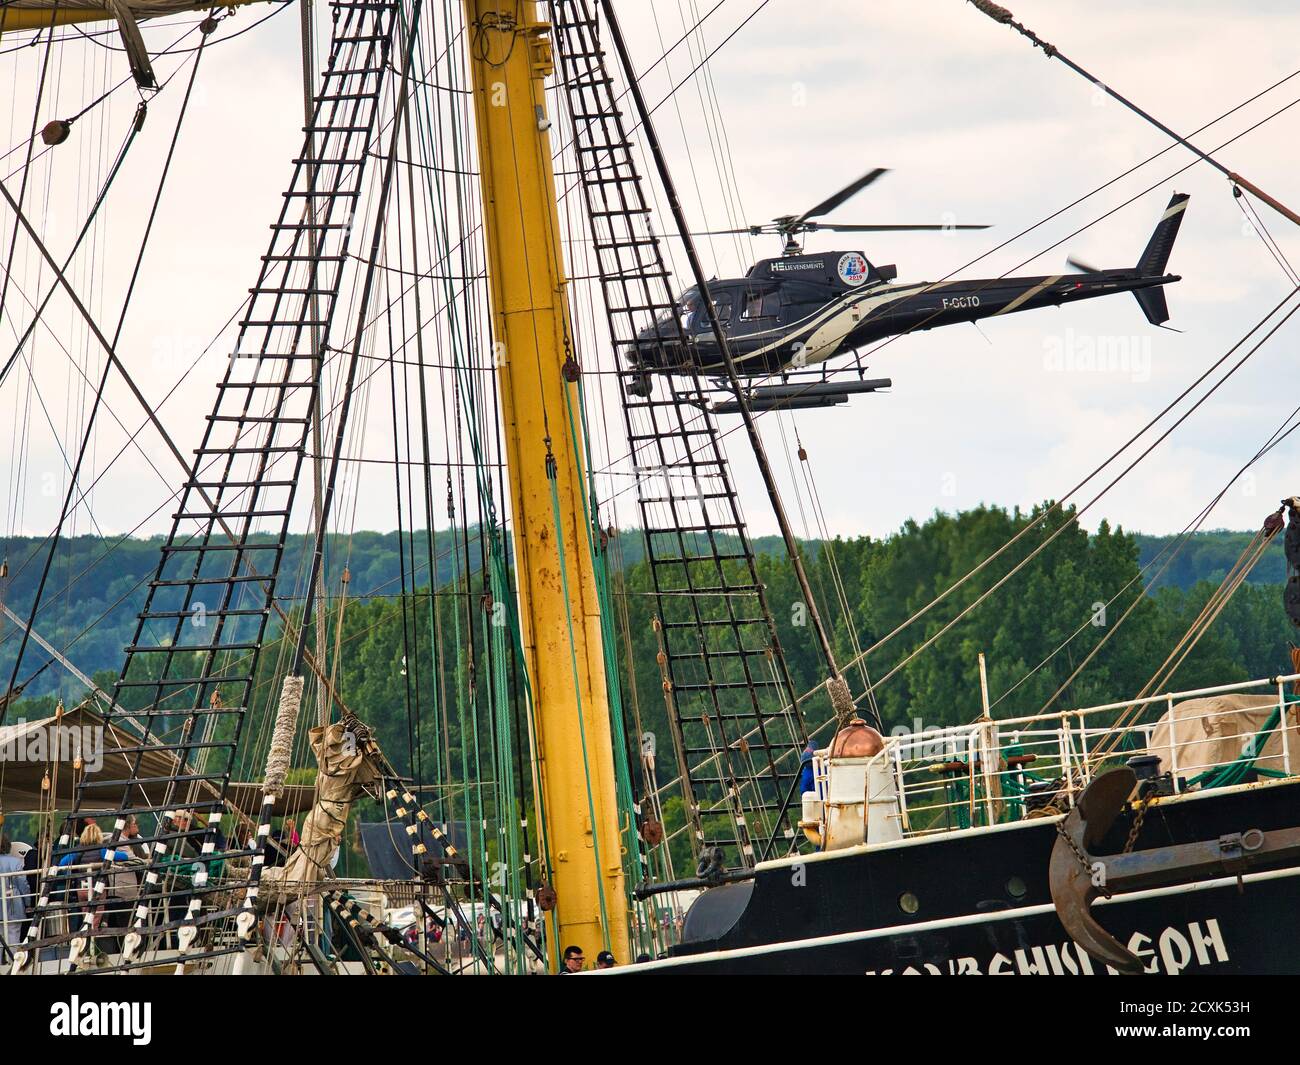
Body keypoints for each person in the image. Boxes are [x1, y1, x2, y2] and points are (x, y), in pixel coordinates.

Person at [0, 834, 30, 950]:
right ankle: (13, 962)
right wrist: (28, 902)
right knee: (13, 935)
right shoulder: (15, 862)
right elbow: (23, 884)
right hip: (13, 904)